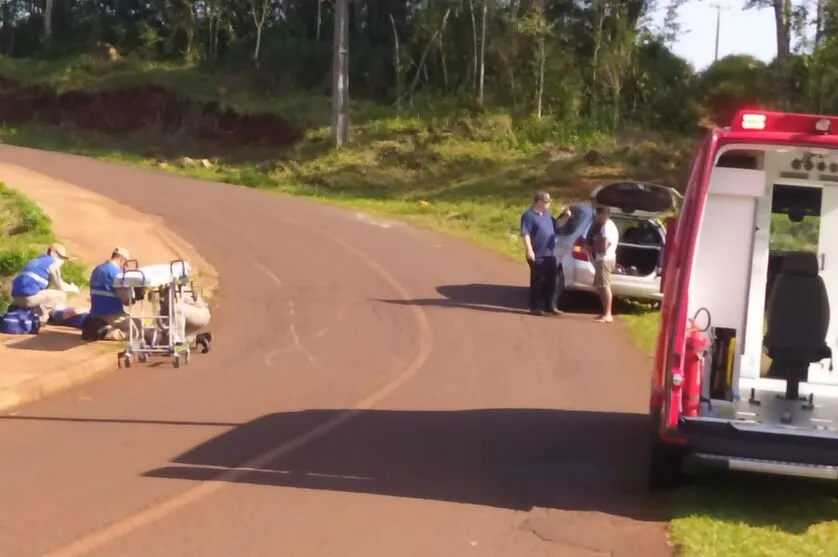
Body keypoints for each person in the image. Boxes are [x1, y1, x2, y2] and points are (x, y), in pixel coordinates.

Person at [520, 192, 569, 316]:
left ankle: (550, 306)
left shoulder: (547, 215)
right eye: (547, 202)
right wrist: (529, 250)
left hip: (550, 254)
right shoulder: (528, 215)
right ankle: (535, 307)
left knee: (552, 281)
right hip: (537, 254)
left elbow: (557, 225)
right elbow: (525, 234)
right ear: (539, 201)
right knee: (537, 281)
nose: (549, 204)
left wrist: (566, 217)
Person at [10, 243, 80, 320]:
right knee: (61, 295)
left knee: (44, 293)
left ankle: (29, 313)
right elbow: (60, 286)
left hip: (15, 299)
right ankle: (39, 317)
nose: (61, 260)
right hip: (28, 299)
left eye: (63, 258)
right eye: (60, 257)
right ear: (52, 252)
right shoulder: (52, 263)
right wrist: (72, 288)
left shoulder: (36, 260)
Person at [88, 247, 140, 340]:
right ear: (121, 260)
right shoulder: (117, 274)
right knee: (134, 333)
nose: (123, 267)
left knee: (137, 323)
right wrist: (134, 296)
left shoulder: (97, 269)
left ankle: (107, 328)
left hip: (95, 312)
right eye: (124, 264)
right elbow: (126, 301)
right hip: (111, 313)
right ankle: (106, 333)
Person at [588, 206, 619, 323]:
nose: (596, 217)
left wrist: (591, 248)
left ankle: (608, 314)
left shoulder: (607, 227)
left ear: (602, 215)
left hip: (605, 259)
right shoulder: (607, 226)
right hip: (603, 259)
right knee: (600, 286)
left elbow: (604, 246)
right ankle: (604, 312)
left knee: (605, 286)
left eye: (597, 215)